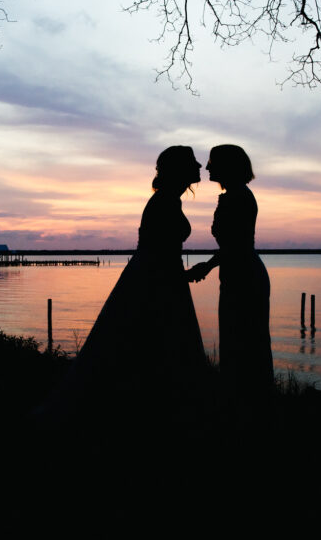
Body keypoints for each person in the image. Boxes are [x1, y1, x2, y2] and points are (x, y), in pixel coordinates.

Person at [38, 146, 210, 425]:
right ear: (178, 169)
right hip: (153, 284)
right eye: (192, 163)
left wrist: (184, 276)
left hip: (159, 279)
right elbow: (158, 258)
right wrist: (183, 277)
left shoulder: (170, 201)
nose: (200, 166)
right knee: (148, 347)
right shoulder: (163, 203)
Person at [187, 144, 273, 408]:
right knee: (241, 339)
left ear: (228, 165)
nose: (209, 167)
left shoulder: (238, 197)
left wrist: (207, 266)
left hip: (244, 276)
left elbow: (236, 245)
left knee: (244, 340)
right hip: (238, 272)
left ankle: (245, 403)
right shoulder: (236, 195)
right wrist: (212, 265)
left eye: (213, 162)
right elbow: (232, 247)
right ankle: (245, 400)